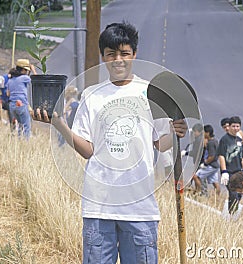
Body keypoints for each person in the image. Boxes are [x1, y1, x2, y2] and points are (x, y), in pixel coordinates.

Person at [52, 22, 187, 264]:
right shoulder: (92, 96)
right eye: (111, 54)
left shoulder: (149, 93)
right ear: (103, 56)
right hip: (98, 207)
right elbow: (87, 150)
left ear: (134, 54)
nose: (118, 60)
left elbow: (161, 144)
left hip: (140, 207)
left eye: (124, 53)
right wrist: (59, 123)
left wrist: (174, 132)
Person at [217, 116, 243, 214]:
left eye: (238, 126)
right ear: (229, 127)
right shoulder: (224, 140)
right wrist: (224, 171)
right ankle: (231, 214)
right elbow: (221, 155)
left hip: (238, 171)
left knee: (239, 194)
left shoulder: (239, 139)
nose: (236, 128)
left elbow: (242, 156)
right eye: (233, 126)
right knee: (233, 192)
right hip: (229, 171)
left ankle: (232, 214)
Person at [192, 124, 220, 196]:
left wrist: (205, 163)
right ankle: (217, 199)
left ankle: (202, 193)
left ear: (207, 133)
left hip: (210, 165)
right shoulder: (215, 141)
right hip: (215, 165)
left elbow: (211, 156)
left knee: (195, 176)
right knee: (215, 182)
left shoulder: (210, 143)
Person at [8, 59, 32, 139]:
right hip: (21, 104)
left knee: (20, 124)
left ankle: (19, 140)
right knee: (26, 125)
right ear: (23, 70)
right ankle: (25, 143)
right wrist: (33, 70)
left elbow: (8, 93)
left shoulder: (10, 80)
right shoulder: (24, 78)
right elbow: (34, 80)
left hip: (12, 105)